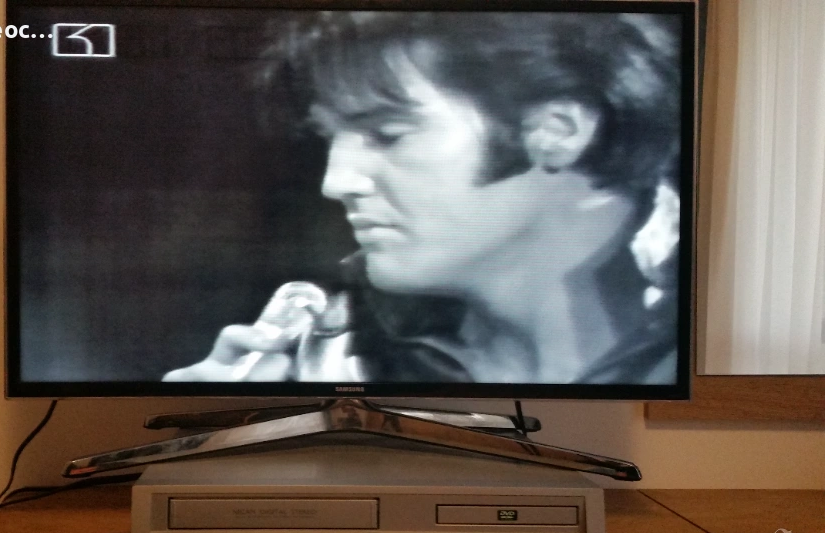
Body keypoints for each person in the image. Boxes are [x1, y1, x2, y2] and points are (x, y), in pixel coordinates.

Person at [164, 10, 683, 384]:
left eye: (387, 134)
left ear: (557, 131)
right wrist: (211, 432)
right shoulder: (322, 348)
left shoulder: (702, 334)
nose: (336, 182)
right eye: (329, 138)